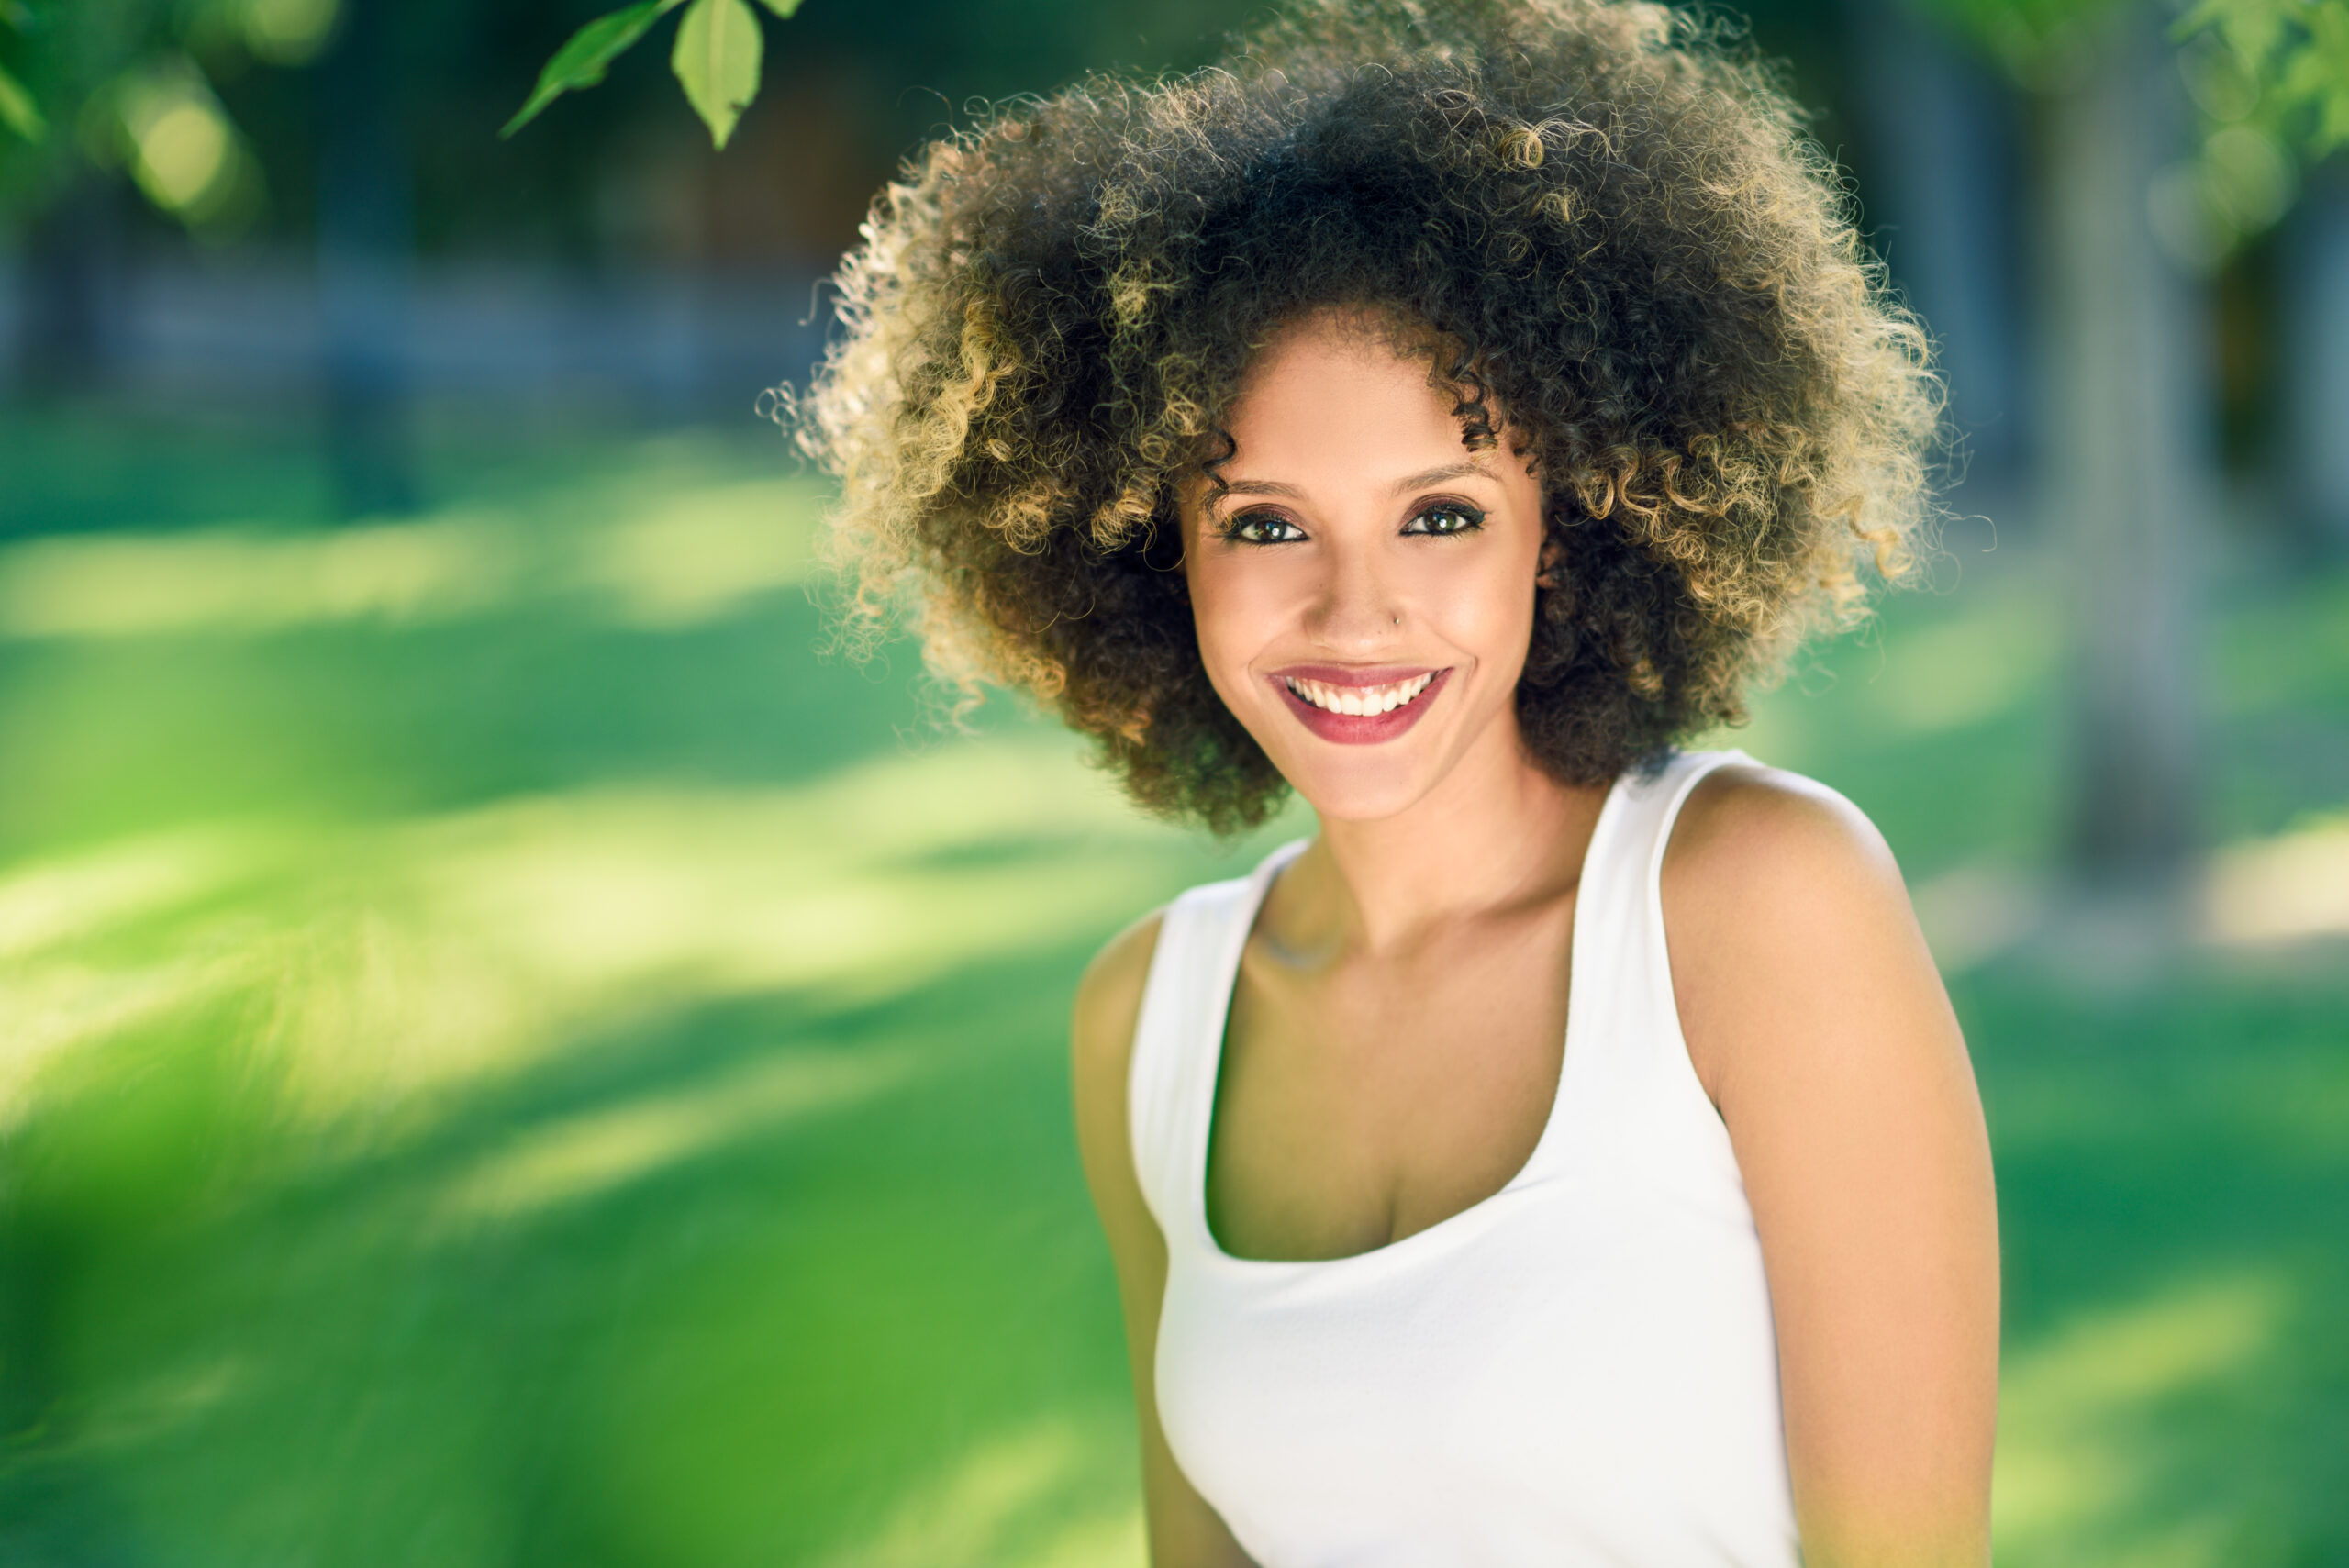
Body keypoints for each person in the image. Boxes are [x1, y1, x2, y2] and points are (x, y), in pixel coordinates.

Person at [796, 1, 1999, 1562]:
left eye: (1440, 515)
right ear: (1153, 545)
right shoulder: (1151, 1025)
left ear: (1564, 527)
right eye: (1265, 522)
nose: (1354, 615)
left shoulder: (1757, 907)